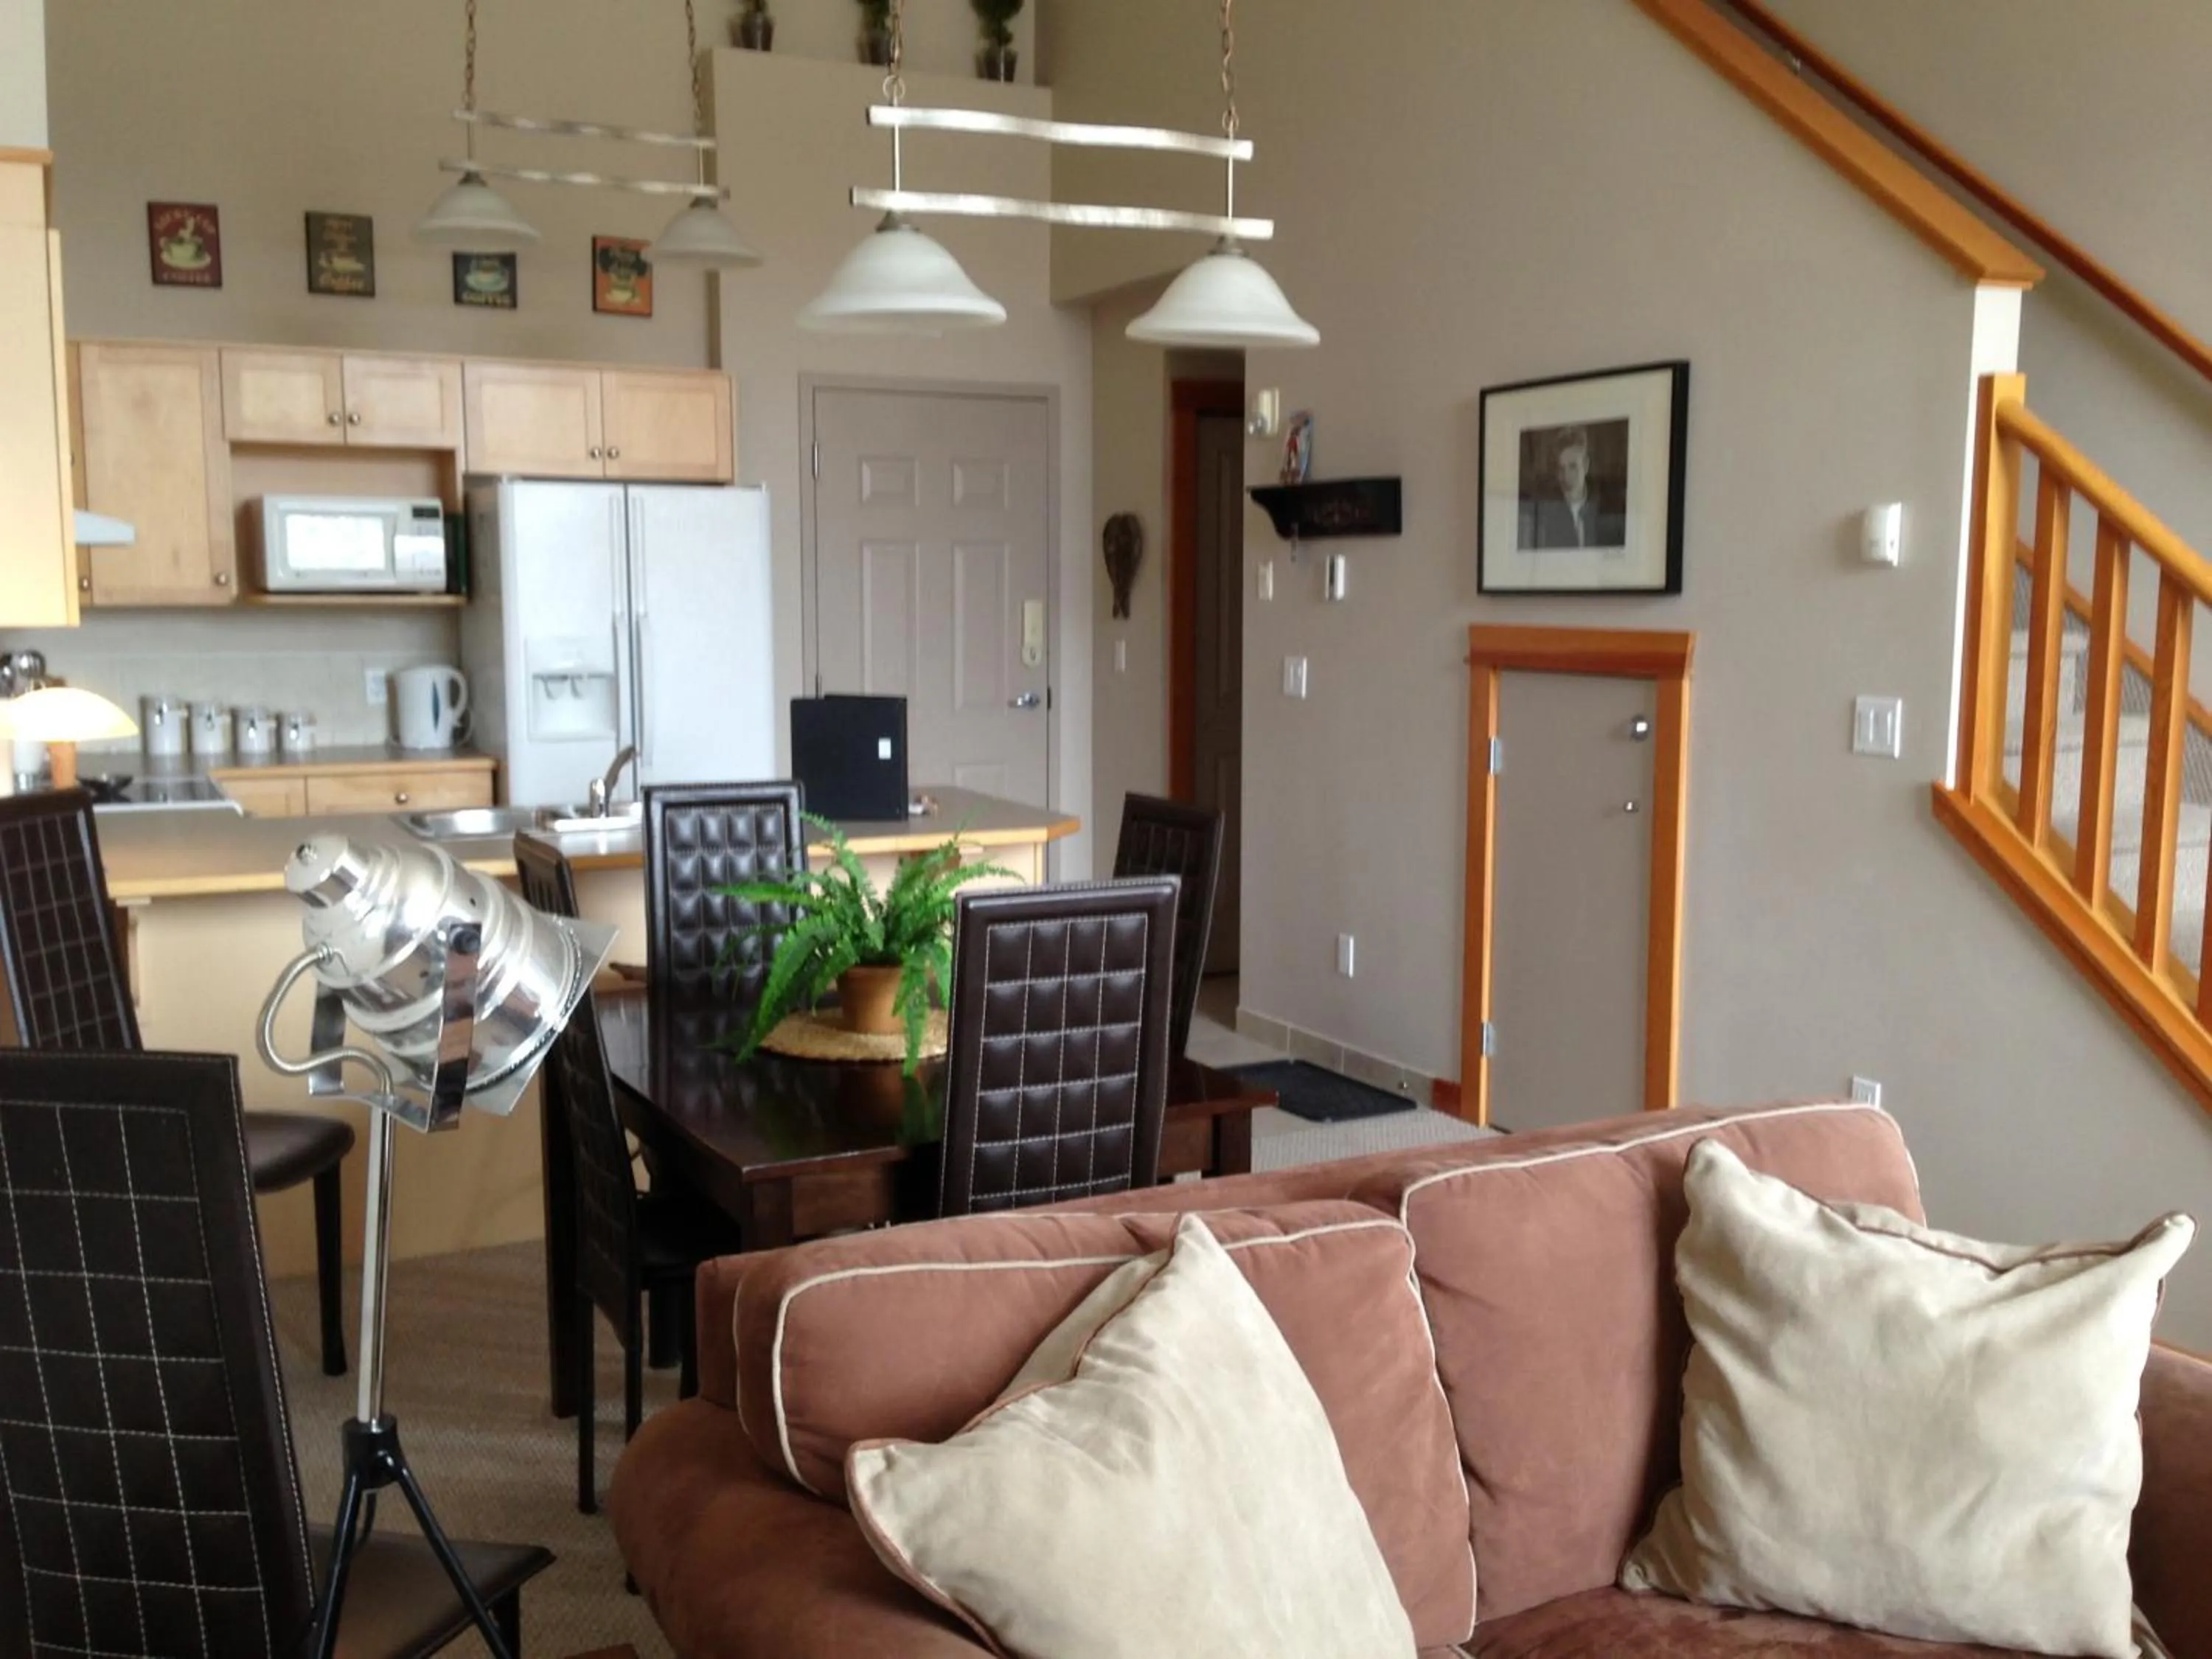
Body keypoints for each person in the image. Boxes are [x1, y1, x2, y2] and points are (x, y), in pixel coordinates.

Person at [1522, 425, 1625, 550]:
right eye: (1561, 468)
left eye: (1573, 467)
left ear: (1586, 466)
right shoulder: (1545, 517)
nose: (1566, 476)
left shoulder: (1607, 511)